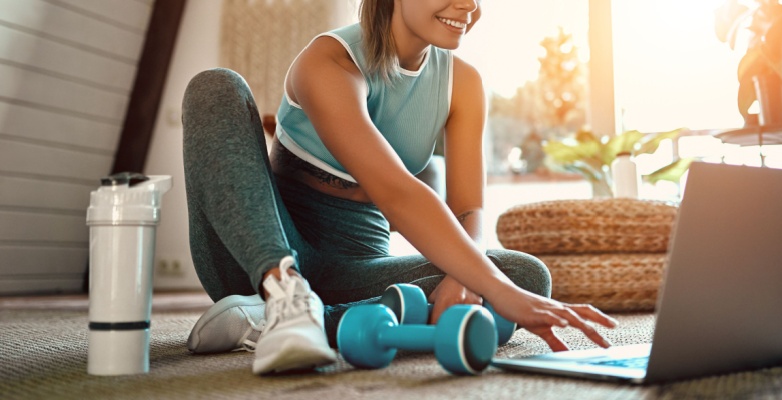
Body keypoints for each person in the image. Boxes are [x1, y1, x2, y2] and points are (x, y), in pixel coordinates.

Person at [181, 0, 618, 375]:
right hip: (255, 258)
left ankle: (282, 321)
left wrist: (467, 275)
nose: (468, 6)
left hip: (354, 271)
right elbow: (394, 191)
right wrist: (495, 290)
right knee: (214, 86)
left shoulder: (463, 84)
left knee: (525, 276)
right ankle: (282, 296)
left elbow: (468, 209)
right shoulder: (329, 61)